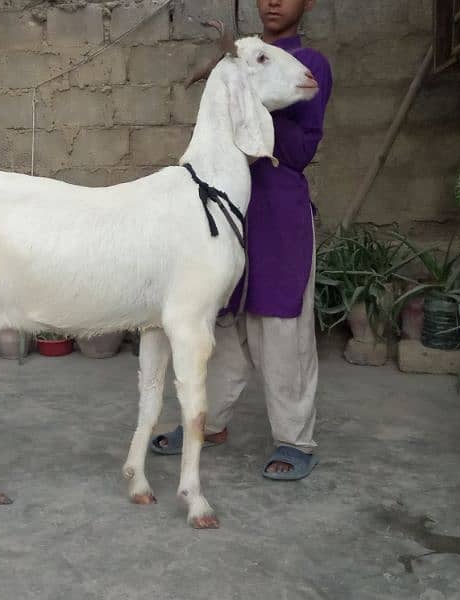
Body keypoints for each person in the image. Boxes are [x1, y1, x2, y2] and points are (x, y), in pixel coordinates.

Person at [150, 0, 333, 481]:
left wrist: (251, 111)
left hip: (277, 214)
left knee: (280, 329)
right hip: (223, 212)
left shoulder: (307, 67)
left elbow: (299, 149)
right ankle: (207, 422)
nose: (273, 1)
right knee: (221, 322)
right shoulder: (237, 59)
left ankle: (295, 437)